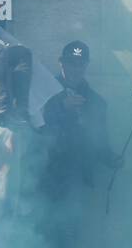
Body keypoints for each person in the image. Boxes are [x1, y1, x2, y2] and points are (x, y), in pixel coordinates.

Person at [40, 40, 123, 197]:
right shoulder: (44, 93)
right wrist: (62, 109)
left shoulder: (97, 102)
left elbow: (100, 142)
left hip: (78, 180)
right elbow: (35, 128)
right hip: (46, 175)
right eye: (71, 63)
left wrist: (111, 159)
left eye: (81, 64)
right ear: (61, 62)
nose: (76, 69)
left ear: (86, 66)